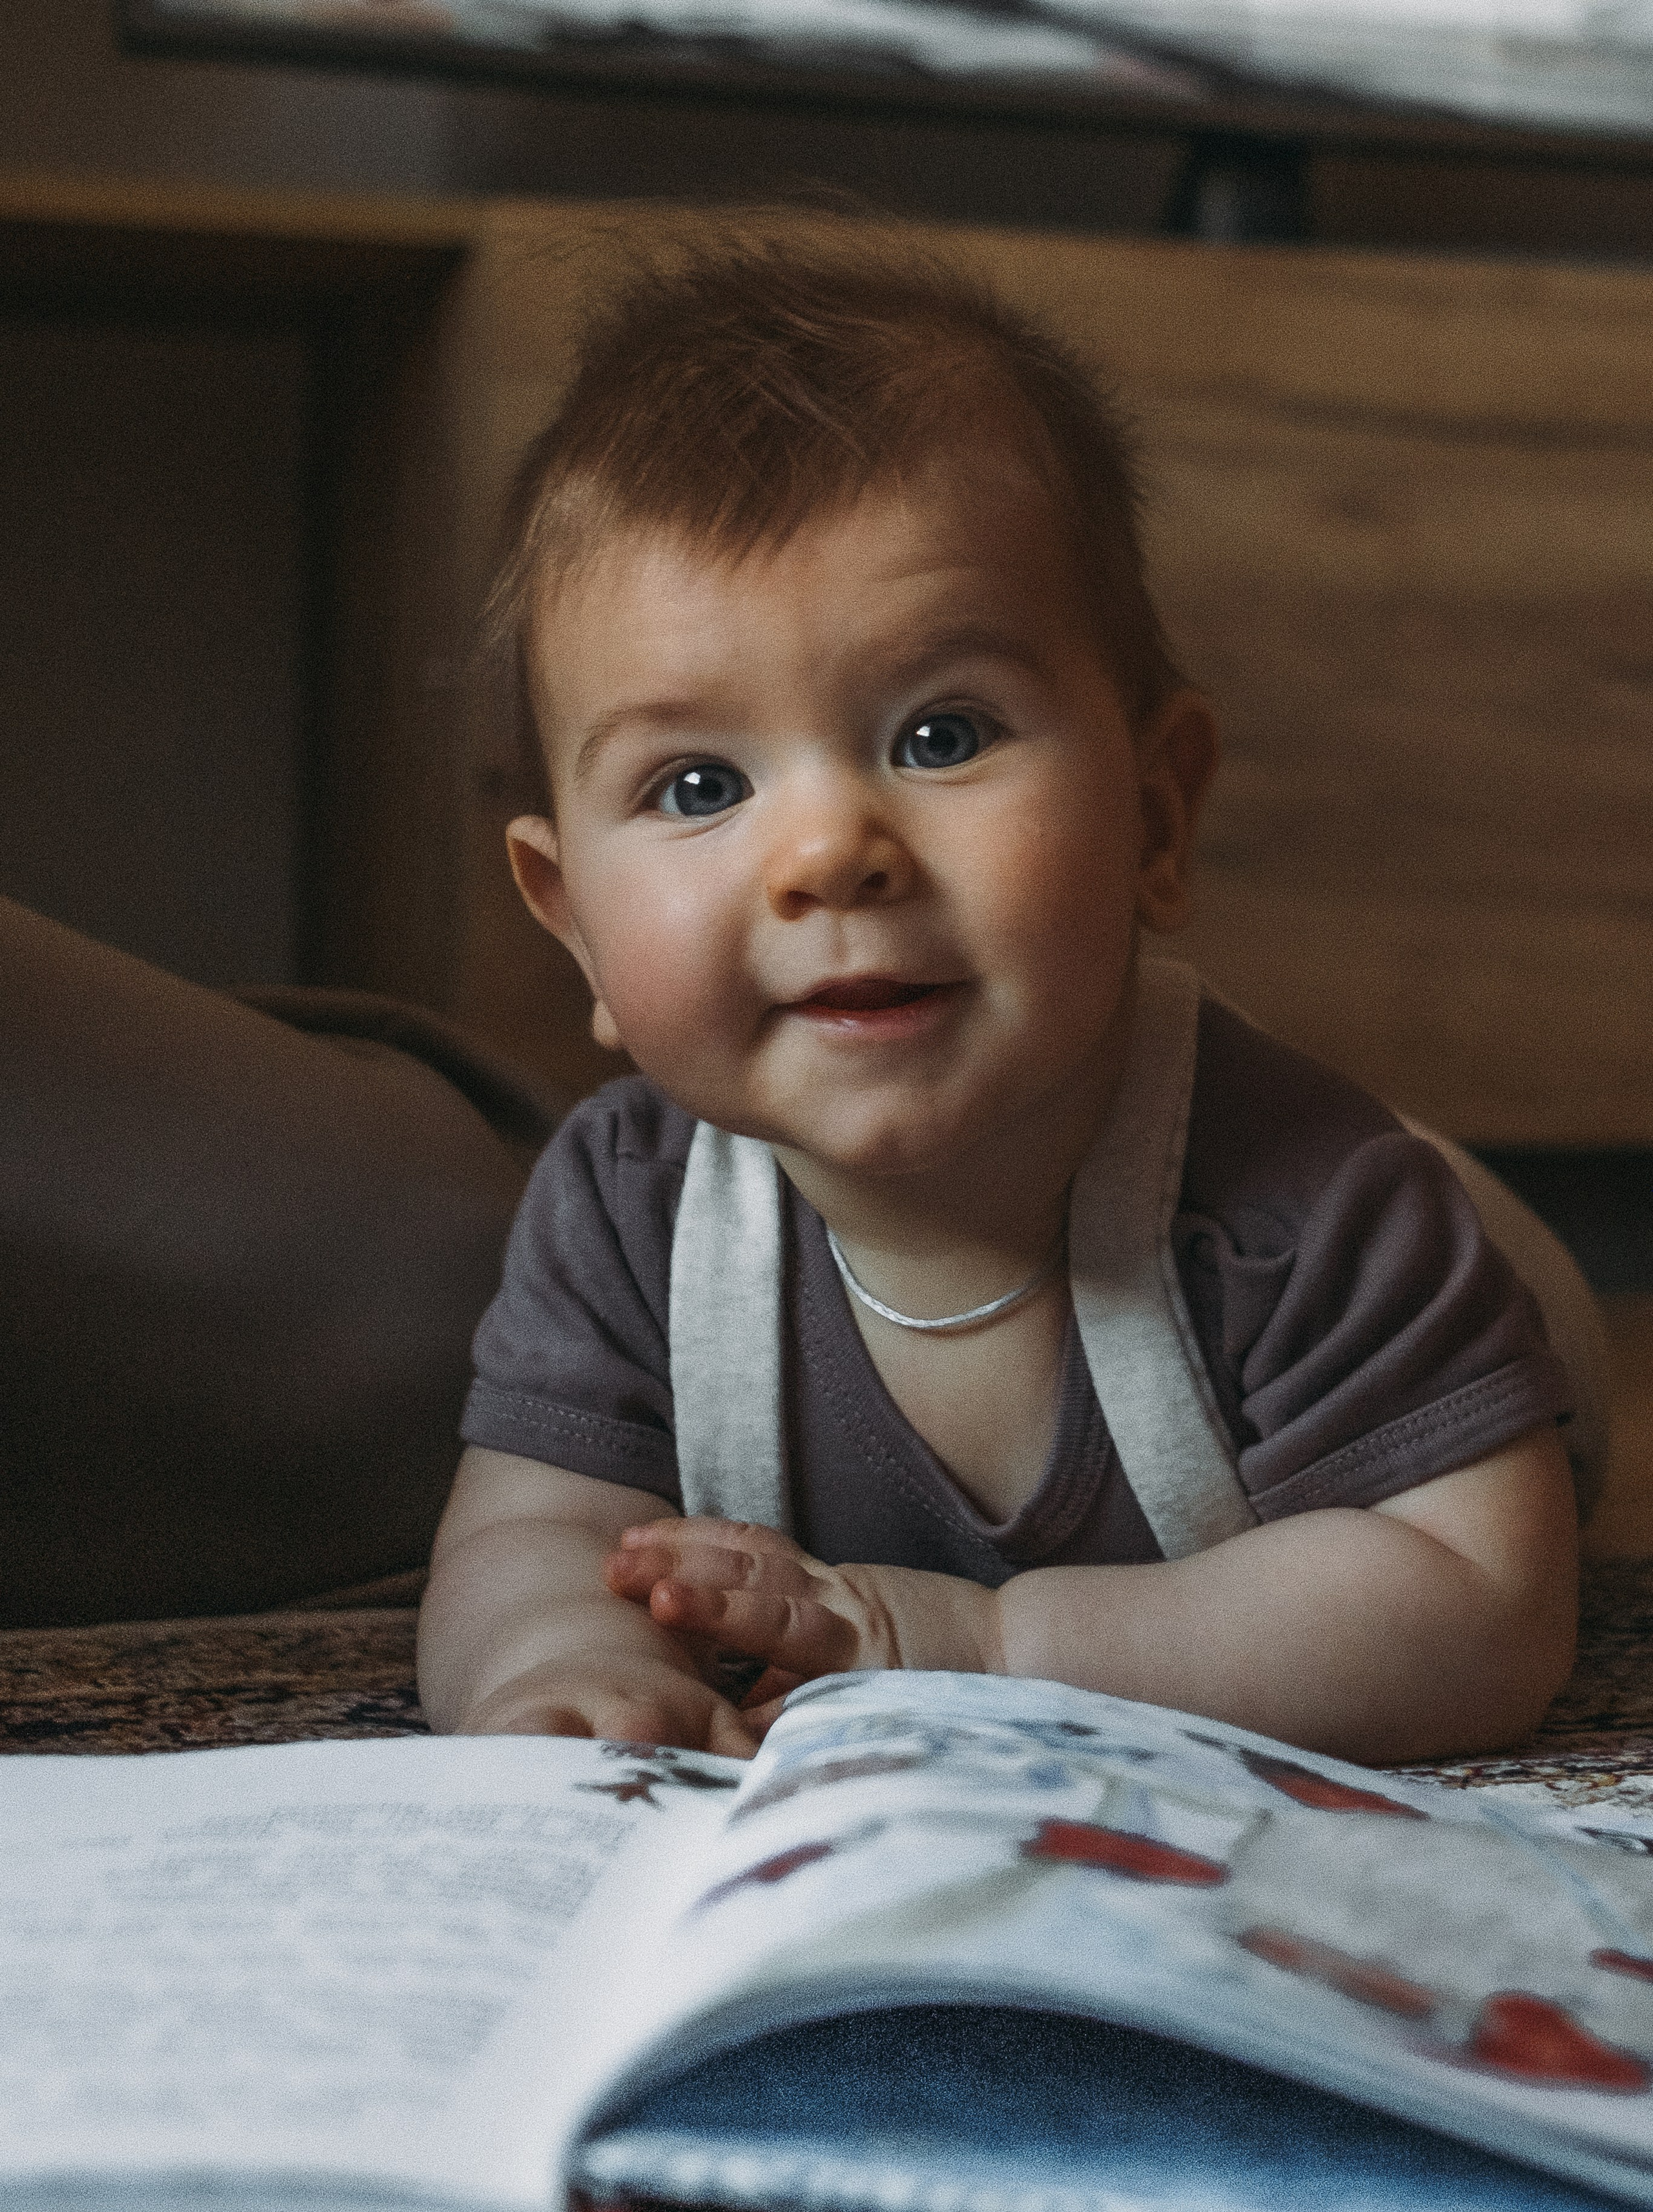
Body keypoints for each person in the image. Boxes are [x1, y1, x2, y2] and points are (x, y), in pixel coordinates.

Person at [416, 236, 1596, 1767]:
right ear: (570, 926)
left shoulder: (1310, 1208)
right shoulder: (631, 1211)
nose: (829, 852)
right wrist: (559, 1658)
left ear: (1156, 822)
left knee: (1474, 1306)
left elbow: (1473, 1607)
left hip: (1477, 1343)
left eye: (940, 733)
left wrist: (979, 1642)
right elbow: (525, 1533)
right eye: (698, 784)